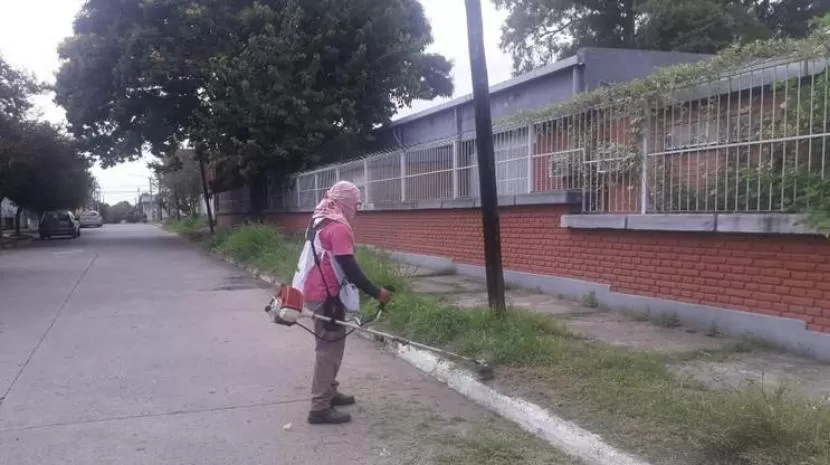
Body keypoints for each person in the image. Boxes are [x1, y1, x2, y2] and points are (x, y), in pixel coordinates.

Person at [302, 180, 392, 425]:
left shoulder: (320, 216)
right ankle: (319, 407)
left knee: (331, 346)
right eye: (355, 203)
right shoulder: (338, 226)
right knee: (328, 350)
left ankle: (329, 392)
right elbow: (349, 268)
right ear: (346, 203)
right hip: (326, 294)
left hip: (316, 289)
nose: (357, 208)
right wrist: (376, 292)